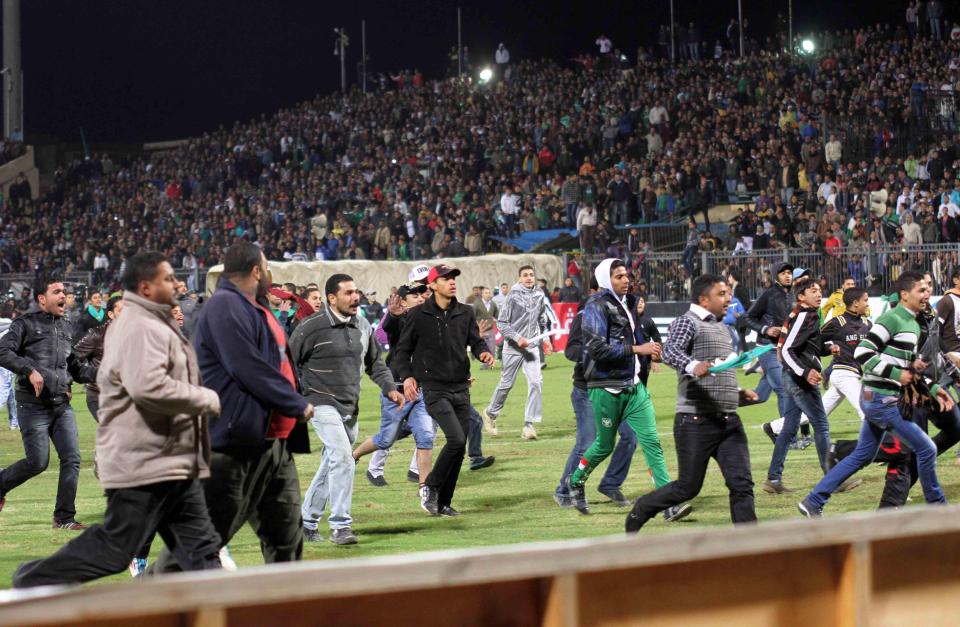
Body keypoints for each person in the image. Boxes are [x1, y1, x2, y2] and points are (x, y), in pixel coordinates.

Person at [11, 252, 223, 588]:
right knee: (115, 549)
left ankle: (201, 606)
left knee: (202, 552)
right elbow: (148, 388)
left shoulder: (153, 323)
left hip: (171, 459)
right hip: (143, 461)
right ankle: (32, 580)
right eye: (168, 278)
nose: (177, 283)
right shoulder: (139, 327)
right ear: (146, 287)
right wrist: (208, 398)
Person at [146, 242, 315, 573]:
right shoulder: (224, 306)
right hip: (235, 443)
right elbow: (245, 366)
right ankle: (140, 606)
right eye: (266, 266)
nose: (268, 273)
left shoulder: (256, 306)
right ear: (255, 270)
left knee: (286, 538)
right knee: (203, 543)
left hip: (275, 442)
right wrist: (294, 402)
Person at [798, 271, 954, 517]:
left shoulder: (912, 323)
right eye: (921, 290)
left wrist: (935, 389)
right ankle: (939, 508)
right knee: (927, 449)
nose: (927, 295)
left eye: (927, 290)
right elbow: (863, 352)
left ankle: (813, 501)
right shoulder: (892, 319)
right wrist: (895, 374)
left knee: (862, 455)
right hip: (882, 399)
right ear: (905, 295)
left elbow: (909, 368)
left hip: (877, 398)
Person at [626, 274, 757, 532]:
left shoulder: (722, 327)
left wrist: (738, 393)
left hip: (729, 419)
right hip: (695, 420)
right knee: (688, 487)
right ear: (704, 299)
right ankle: (641, 509)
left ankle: (751, 546)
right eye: (722, 293)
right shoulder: (687, 321)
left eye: (728, 293)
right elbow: (670, 350)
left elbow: (720, 371)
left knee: (741, 484)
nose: (728, 298)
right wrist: (692, 364)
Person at [565, 258, 690, 522]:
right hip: (605, 388)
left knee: (652, 443)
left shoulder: (628, 304)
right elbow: (597, 349)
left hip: (634, 388)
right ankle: (575, 482)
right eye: (619, 276)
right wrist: (637, 350)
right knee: (603, 445)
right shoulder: (595, 307)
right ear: (604, 280)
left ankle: (668, 504)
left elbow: (636, 339)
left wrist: (651, 353)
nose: (626, 280)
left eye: (626, 276)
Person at [290, 274, 401, 545]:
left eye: (356, 292)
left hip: (350, 406)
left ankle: (307, 521)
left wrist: (389, 387)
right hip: (320, 402)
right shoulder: (310, 328)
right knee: (343, 459)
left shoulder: (362, 325)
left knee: (332, 462)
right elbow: (288, 363)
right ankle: (340, 525)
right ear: (332, 298)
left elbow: (376, 362)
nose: (356, 297)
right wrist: (295, 400)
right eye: (349, 293)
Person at [393, 264, 494, 516]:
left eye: (453, 278)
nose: (452, 282)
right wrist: (407, 377)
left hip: (461, 387)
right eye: (446, 279)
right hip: (434, 389)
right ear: (433, 285)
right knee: (456, 439)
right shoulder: (417, 315)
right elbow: (402, 351)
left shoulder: (465, 312)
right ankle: (430, 487)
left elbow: (475, 340)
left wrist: (483, 352)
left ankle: (443, 502)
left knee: (459, 448)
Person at [0, 276, 95, 527]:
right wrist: (28, 370)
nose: (63, 295)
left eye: (64, 291)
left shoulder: (66, 325)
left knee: (72, 458)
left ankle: (64, 517)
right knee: (37, 462)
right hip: (32, 405)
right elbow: (2, 351)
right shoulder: (25, 324)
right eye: (57, 291)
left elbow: (75, 367)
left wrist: (103, 373)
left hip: (61, 405)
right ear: (42, 298)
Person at [555, 277, 637, 511]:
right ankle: (564, 489)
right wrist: (595, 351)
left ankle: (610, 483)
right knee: (588, 442)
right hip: (587, 390)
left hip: (617, 386)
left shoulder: (622, 315)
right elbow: (570, 350)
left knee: (631, 436)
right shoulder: (584, 316)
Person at [355, 283, 438, 489]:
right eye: (414, 296)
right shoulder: (400, 320)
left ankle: (425, 489)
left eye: (422, 295)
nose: (420, 298)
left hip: (420, 388)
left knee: (426, 436)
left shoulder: (428, 318)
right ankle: (355, 455)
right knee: (386, 438)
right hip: (398, 388)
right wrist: (392, 315)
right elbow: (389, 329)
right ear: (402, 301)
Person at [763, 277, 832, 494]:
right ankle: (832, 479)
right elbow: (786, 350)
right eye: (813, 291)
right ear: (801, 297)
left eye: (820, 290)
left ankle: (773, 480)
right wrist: (805, 371)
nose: (818, 294)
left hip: (794, 377)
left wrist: (829, 348)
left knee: (790, 428)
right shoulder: (805, 314)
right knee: (821, 424)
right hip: (799, 379)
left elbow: (808, 347)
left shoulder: (807, 314)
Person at [482, 265, 558, 440]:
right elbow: (501, 323)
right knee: (507, 383)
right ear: (519, 278)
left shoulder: (540, 294)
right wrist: (517, 338)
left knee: (536, 382)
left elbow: (542, 319)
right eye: (525, 275)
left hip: (531, 346)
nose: (529, 278)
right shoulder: (513, 295)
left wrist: (545, 341)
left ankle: (528, 425)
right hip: (513, 346)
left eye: (532, 275)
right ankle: (490, 414)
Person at [750, 264, 811, 448]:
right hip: (767, 349)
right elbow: (747, 317)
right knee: (785, 391)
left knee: (760, 396)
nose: (787, 276)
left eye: (789, 273)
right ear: (777, 276)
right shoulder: (769, 294)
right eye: (783, 273)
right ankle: (789, 439)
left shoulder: (792, 296)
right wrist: (766, 329)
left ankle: (727, 402)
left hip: (785, 351)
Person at [73, 295, 125, 422]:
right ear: (111, 315)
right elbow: (71, 358)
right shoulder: (96, 335)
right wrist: (86, 375)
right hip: (100, 396)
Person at [0, 303, 18, 430]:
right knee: (4, 391)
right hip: (5, 361)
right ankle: (14, 422)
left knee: (10, 393)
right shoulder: (12, 325)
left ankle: (14, 422)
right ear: (12, 313)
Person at [473, 286, 499, 363]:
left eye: (489, 293)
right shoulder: (477, 304)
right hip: (481, 330)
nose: (488, 294)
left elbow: (497, 315)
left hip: (490, 329)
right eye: (486, 293)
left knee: (492, 349)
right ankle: (485, 365)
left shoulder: (493, 304)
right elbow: (473, 316)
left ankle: (488, 363)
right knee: (483, 349)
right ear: (482, 294)